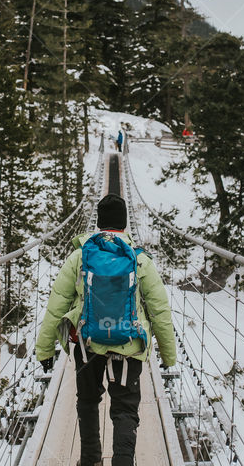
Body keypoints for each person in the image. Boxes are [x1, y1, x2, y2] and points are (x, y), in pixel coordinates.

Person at [35, 194, 177, 466]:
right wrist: (168, 356)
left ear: (99, 223)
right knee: (125, 409)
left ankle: (90, 460)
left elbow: (56, 306)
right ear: (124, 225)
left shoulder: (80, 255)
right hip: (129, 345)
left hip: (88, 343)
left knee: (88, 402)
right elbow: (160, 312)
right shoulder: (140, 260)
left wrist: (44, 350)